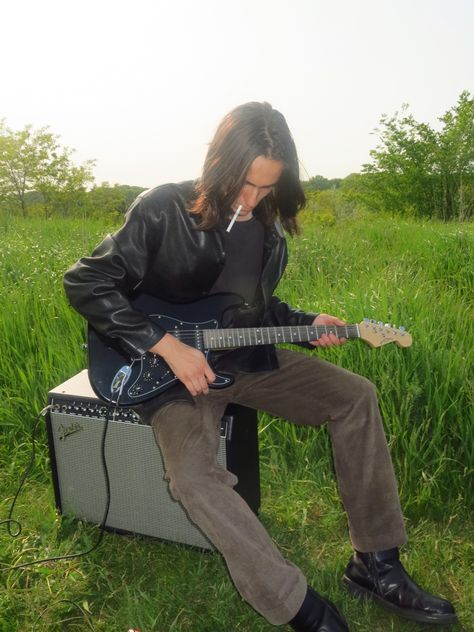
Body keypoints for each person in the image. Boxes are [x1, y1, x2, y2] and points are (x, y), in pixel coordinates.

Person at [63, 102, 457, 631]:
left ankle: (377, 564)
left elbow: (249, 311)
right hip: (169, 375)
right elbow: (86, 282)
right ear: (220, 164)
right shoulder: (162, 208)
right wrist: (164, 345)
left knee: (355, 395)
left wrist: (309, 323)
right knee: (193, 478)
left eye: (267, 188)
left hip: (239, 360)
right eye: (245, 184)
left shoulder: (268, 235)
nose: (251, 200)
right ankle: (301, 608)